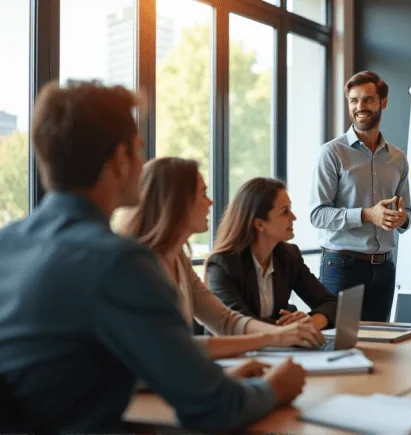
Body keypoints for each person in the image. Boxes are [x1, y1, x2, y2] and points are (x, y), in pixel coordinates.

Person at [0, 80, 305, 433]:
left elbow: (64, 373)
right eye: (139, 150)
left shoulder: (8, 243)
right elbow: (215, 410)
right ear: (120, 159)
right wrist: (276, 387)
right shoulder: (119, 262)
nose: (142, 164)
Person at [115, 158, 326, 357]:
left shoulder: (178, 257)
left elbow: (225, 321)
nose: (211, 202)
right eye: (203, 194)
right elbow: (167, 346)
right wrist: (277, 336)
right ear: (177, 204)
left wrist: (285, 334)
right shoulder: (137, 265)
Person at [309, 70, 411, 322]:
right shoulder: (331, 153)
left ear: (383, 103)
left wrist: (402, 219)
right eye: (353, 100)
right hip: (343, 267)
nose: (359, 107)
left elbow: (407, 212)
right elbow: (317, 214)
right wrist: (367, 215)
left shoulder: (398, 158)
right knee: (339, 341)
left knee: (378, 342)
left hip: (384, 269)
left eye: (368, 99)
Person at [205, 177, 338, 331]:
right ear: (259, 224)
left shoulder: (289, 256)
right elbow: (238, 323)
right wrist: (292, 328)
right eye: (285, 212)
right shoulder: (222, 265)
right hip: (234, 346)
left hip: (279, 343)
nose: (293, 217)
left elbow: (331, 304)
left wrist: (312, 322)